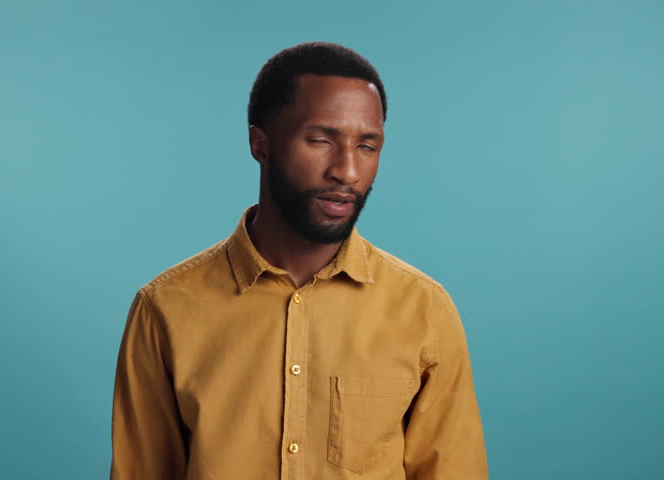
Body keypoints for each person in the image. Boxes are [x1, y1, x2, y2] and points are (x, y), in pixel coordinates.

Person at [110, 41, 488, 479]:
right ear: (260, 144)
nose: (347, 171)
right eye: (321, 139)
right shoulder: (165, 309)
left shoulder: (425, 311)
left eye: (367, 145)